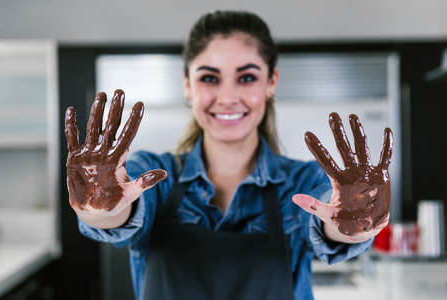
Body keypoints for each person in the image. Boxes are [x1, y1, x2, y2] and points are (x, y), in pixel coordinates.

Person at [64, 10, 393, 300]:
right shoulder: (155, 176)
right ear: (188, 86)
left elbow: (332, 221)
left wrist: (354, 222)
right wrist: (100, 206)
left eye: (247, 77)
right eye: (209, 78)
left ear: (271, 82)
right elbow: (115, 216)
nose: (228, 96)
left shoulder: (301, 184)